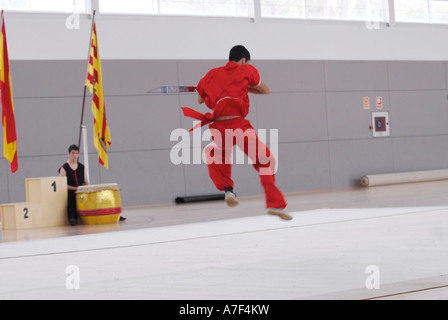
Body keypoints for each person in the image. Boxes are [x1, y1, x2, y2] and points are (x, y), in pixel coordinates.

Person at [182, 45, 291, 220]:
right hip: (238, 125)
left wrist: (213, 93)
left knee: (219, 157)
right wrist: (245, 86)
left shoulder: (210, 74)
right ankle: (275, 203)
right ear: (243, 60)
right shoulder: (247, 70)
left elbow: (200, 100)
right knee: (265, 159)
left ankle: (228, 191)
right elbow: (265, 90)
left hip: (218, 126)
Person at [59, 144, 88, 226]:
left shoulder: (82, 167)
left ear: (78, 154)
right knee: (71, 203)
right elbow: (63, 185)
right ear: (69, 154)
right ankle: (72, 217)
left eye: (76, 153)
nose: (74, 155)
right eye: (73, 153)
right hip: (70, 193)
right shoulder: (64, 168)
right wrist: (76, 188)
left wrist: (86, 190)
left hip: (81, 193)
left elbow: (86, 181)